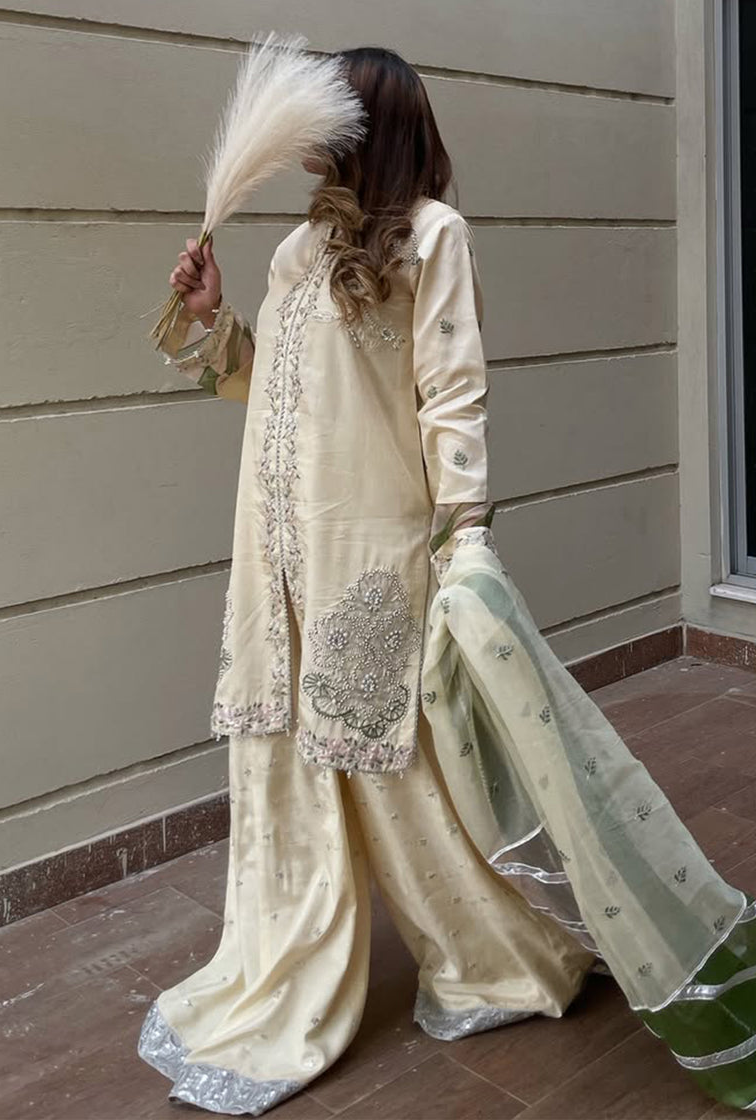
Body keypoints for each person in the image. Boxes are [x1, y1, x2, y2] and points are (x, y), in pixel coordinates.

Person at [138, 46, 756, 1116]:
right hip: (277, 552)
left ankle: (493, 952)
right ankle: (284, 952)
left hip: (369, 547)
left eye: (329, 117)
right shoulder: (294, 250)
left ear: (365, 125)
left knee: (398, 766)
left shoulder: (433, 237)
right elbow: (267, 386)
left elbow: (450, 394)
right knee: (289, 760)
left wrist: (465, 528)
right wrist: (213, 315)